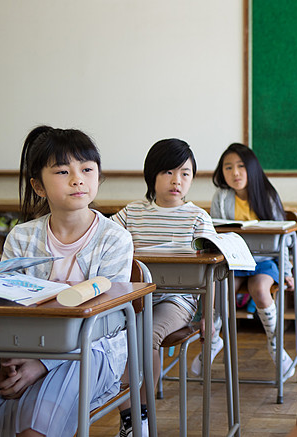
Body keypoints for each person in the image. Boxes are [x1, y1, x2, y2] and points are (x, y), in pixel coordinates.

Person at [0, 126, 134, 437]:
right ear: (38, 186)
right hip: (21, 348)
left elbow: (107, 319)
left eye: (86, 169)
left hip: (91, 352)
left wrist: (42, 363)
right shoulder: (22, 236)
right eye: (62, 171)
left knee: (35, 425)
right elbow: (6, 304)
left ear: (98, 176)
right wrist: (9, 359)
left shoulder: (114, 239)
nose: (77, 178)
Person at [110, 138, 218, 437]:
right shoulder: (131, 213)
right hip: (134, 298)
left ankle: (140, 417)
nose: (177, 181)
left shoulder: (197, 218)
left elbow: (211, 269)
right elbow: (104, 241)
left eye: (185, 173)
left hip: (177, 301)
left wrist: (208, 315)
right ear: (152, 175)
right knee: (109, 337)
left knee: (145, 335)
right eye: (168, 172)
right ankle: (130, 416)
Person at [207, 142, 295, 378]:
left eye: (241, 166)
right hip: (235, 262)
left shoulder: (267, 195)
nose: (235, 173)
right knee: (218, 292)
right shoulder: (221, 197)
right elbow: (216, 235)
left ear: (252, 168)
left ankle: (276, 346)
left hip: (265, 262)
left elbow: (283, 238)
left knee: (260, 290)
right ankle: (214, 340)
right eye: (228, 168)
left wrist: (286, 272)